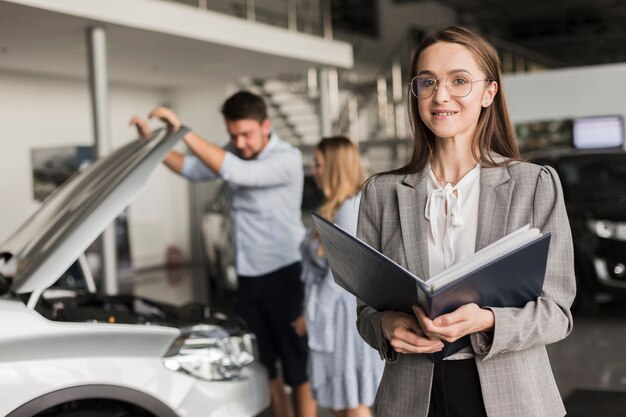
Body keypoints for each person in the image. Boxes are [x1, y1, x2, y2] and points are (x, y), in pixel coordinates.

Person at [355, 26, 576, 417]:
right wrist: (386, 326)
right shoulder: (381, 193)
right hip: (411, 399)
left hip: (512, 397)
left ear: (489, 92)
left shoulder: (534, 184)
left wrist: (487, 320)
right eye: (428, 82)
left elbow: (557, 313)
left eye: (459, 81)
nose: (441, 96)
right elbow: (365, 314)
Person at [130, 91, 316, 417]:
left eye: (246, 134)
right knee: (264, 366)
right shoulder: (234, 152)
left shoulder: (286, 158)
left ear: (266, 125)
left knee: (297, 367)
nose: (240, 143)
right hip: (247, 279)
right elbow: (190, 168)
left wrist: (182, 130)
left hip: (284, 274)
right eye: (233, 136)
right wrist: (153, 145)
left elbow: (236, 172)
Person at [295, 137, 383, 417]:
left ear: (334, 167)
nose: (315, 171)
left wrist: (312, 316)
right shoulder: (343, 206)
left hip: (342, 319)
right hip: (338, 315)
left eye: (319, 164)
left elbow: (340, 274)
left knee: (350, 400)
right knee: (342, 400)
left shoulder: (348, 209)